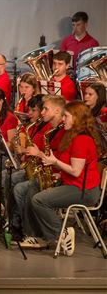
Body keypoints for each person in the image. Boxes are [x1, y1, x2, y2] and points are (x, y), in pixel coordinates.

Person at [23, 101, 102, 256]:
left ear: (77, 118)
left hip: (83, 191)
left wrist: (55, 162)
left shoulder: (81, 139)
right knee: (35, 186)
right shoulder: (71, 135)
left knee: (39, 200)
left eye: (66, 116)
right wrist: (58, 171)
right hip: (73, 184)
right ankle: (40, 236)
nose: (63, 119)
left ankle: (61, 233)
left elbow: (76, 171)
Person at [13, 95, 66, 246]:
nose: (42, 112)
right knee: (20, 188)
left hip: (58, 175)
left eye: (45, 109)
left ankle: (38, 234)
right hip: (45, 171)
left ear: (57, 111)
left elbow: (62, 160)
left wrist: (39, 155)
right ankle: (24, 228)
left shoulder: (63, 130)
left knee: (28, 190)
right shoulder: (51, 130)